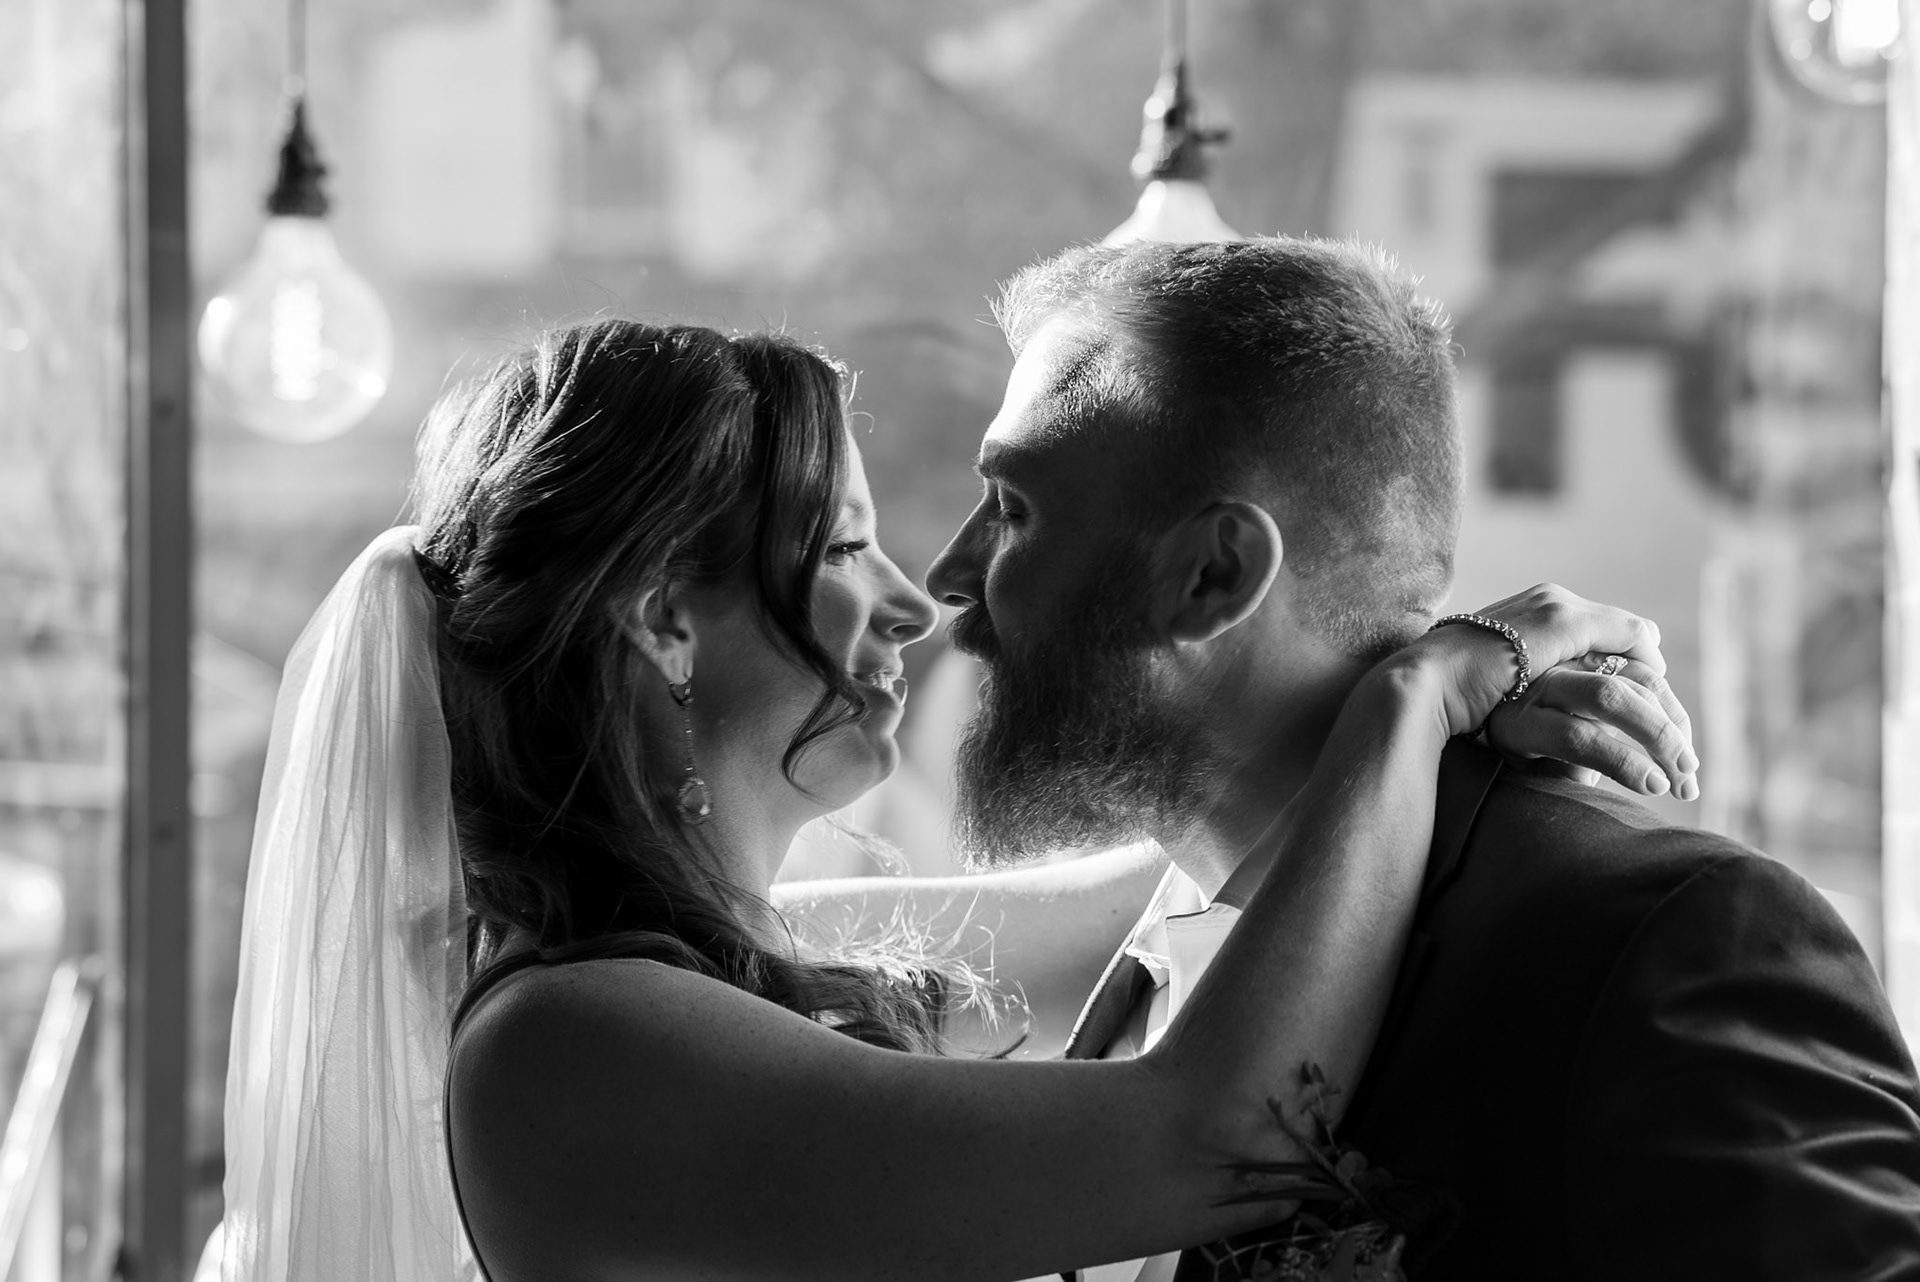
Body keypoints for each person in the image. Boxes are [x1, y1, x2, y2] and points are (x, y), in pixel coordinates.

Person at [218, 317, 1696, 1282]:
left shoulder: (743, 955)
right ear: (666, 617)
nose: (915, 603)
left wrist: (1425, 715)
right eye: (840, 545)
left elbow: (1208, 856)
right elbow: (1216, 1138)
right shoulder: (568, 1041)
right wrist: (1418, 695)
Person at [910, 236, 1920, 1281]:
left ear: (1215, 573)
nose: (946, 574)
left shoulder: (1658, 937)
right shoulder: (1145, 952)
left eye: (1013, 510)